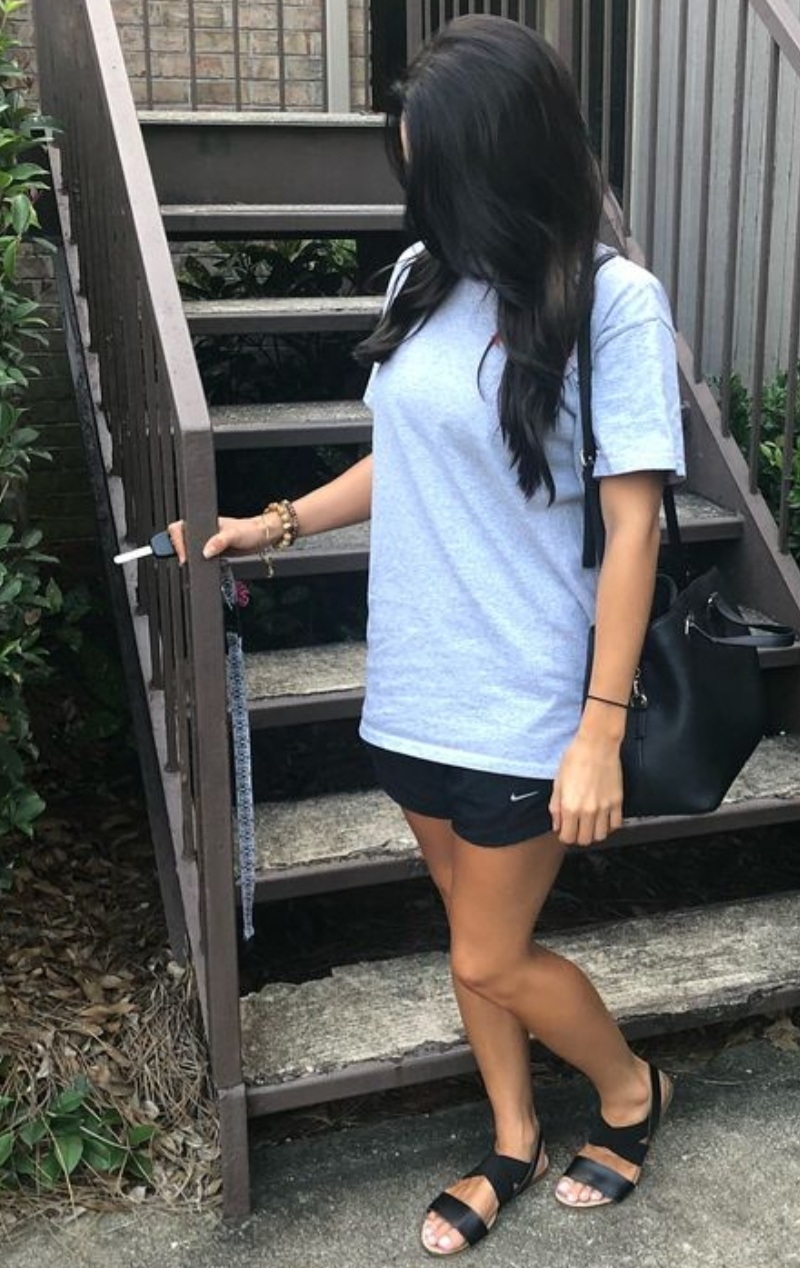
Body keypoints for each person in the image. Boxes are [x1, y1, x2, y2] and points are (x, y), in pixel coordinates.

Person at [170, 15, 685, 1257]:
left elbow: (632, 527)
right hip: (413, 678)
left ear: (500, 162)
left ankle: (628, 1089)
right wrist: (271, 521)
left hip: (528, 693)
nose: (419, 199)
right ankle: (511, 1136)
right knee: (464, 926)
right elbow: (398, 455)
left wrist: (597, 729)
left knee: (489, 951)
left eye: (434, 172)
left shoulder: (611, 302)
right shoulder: (423, 276)